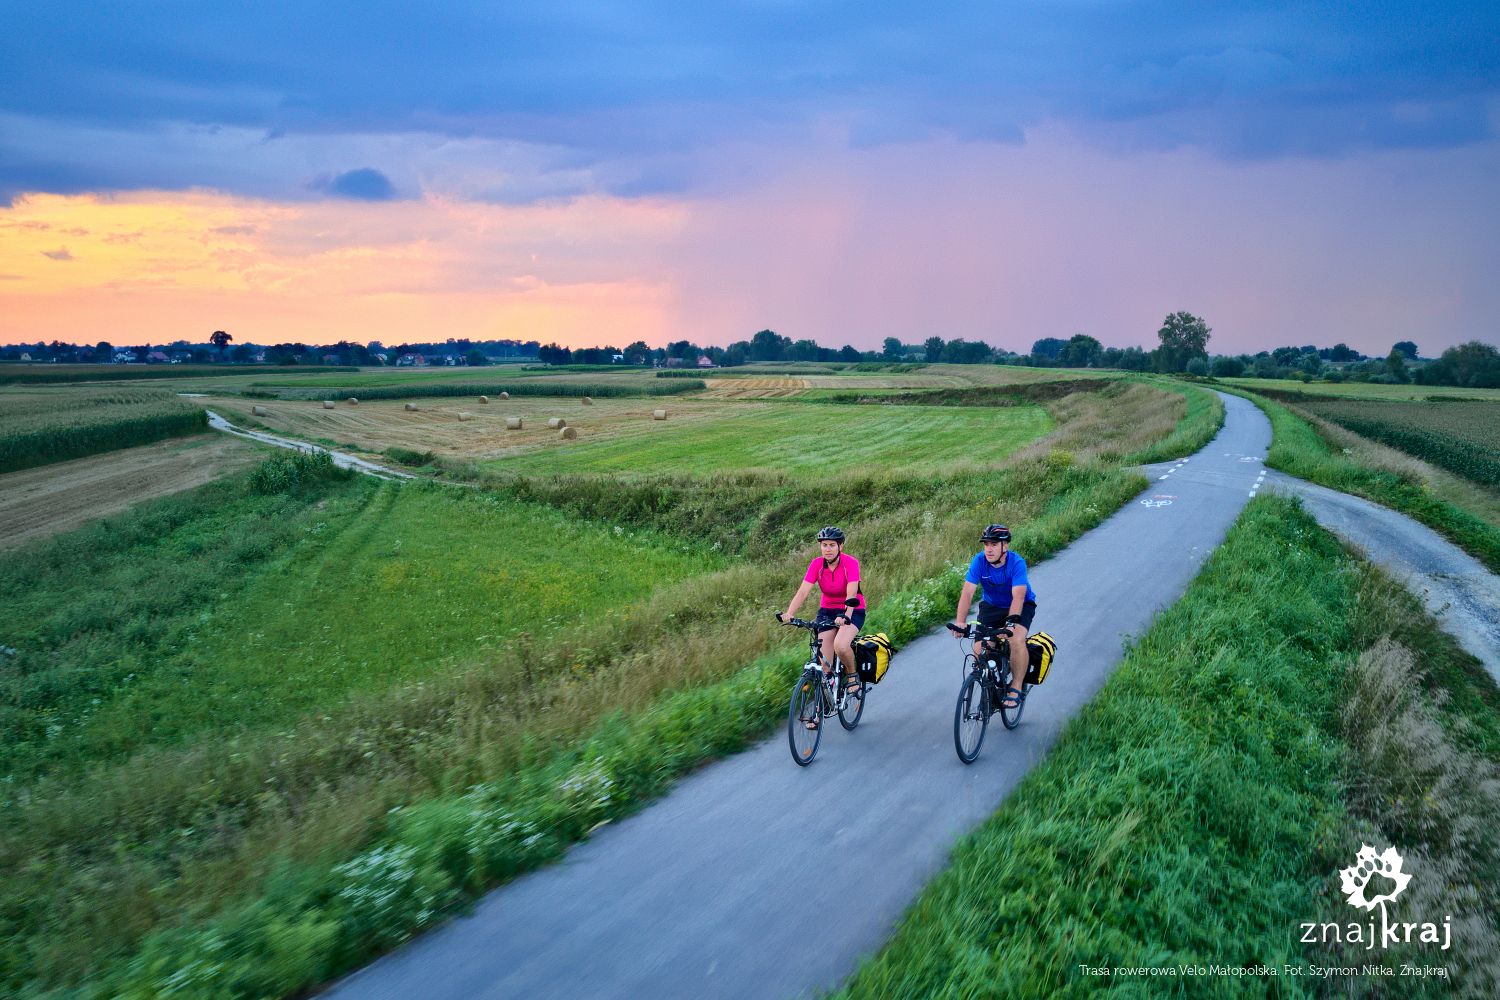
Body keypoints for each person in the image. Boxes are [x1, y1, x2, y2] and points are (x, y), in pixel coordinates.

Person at [777, 526, 866, 716]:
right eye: (824, 545)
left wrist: (846, 615)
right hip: (827, 611)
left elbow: (852, 593)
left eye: (832, 545)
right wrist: (789, 613)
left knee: (841, 646)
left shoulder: (851, 563)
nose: (828, 549)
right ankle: (821, 709)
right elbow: (803, 592)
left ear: (840, 546)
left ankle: (851, 676)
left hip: (852, 609)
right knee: (824, 664)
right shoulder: (816, 565)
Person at [947, 523, 1036, 710]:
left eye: (994, 544)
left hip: (1020, 605)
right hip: (991, 607)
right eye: (986, 544)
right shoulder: (979, 561)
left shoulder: (1016, 563)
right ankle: (990, 687)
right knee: (979, 651)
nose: (989, 549)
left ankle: (1016, 685)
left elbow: (1019, 595)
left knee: (1016, 640)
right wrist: (961, 622)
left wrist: (1011, 623)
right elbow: (967, 593)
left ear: (1005, 546)